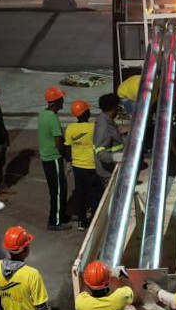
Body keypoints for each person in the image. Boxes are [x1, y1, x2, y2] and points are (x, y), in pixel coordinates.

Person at [37, 86, 71, 231]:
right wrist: (67, 156)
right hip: (54, 158)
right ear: (57, 102)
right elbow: (59, 143)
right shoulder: (53, 119)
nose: (64, 101)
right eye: (61, 99)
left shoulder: (42, 114)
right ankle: (55, 221)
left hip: (46, 157)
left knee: (58, 188)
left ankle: (60, 215)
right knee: (58, 190)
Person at [64, 99, 99, 229]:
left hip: (77, 167)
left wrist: (69, 162)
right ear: (85, 113)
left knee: (80, 194)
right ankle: (94, 218)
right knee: (95, 193)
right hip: (91, 166)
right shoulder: (93, 128)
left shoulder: (70, 128)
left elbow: (67, 147)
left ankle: (82, 221)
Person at [93, 94, 124, 186]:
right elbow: (100, 153)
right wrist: (117, 157)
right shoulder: (104, 125)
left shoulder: (107, 120)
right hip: (109, 173)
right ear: (114, 107)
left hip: (113, 169)